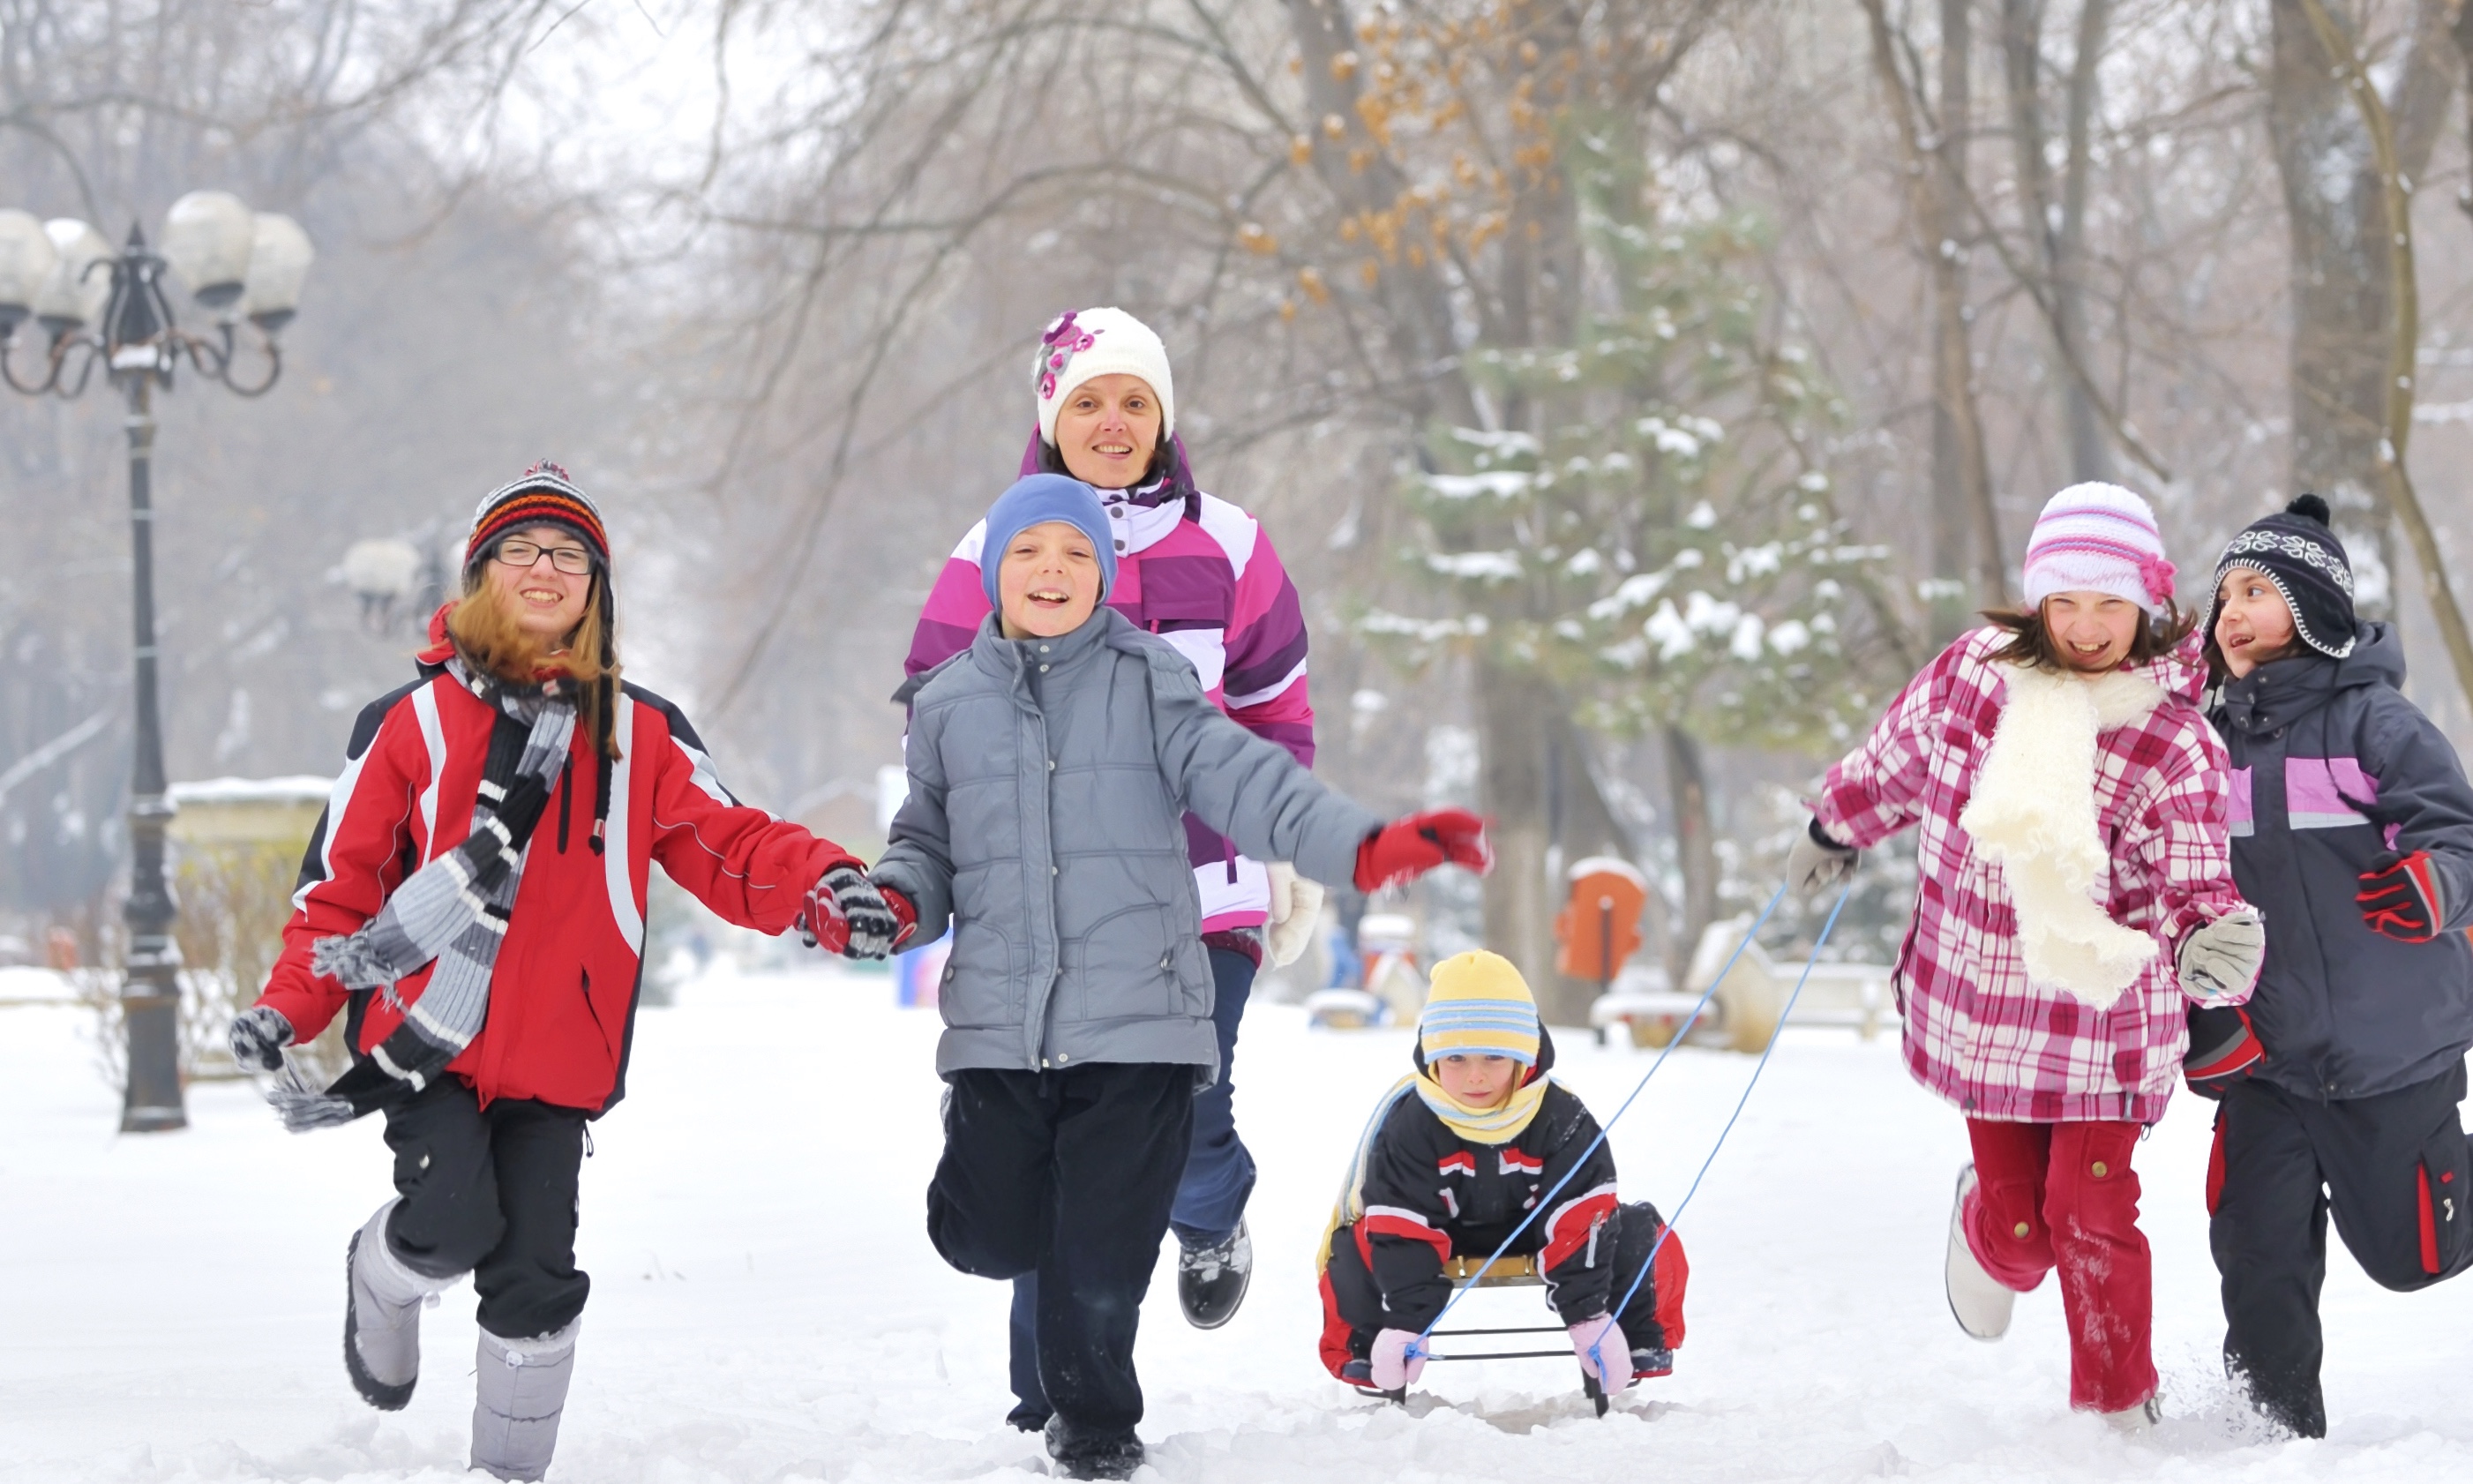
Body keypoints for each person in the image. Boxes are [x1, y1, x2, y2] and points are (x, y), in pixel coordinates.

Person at [226, 463, 897, 1483]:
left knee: (537, 1277)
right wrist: (287, 1010)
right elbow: (342, 891)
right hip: (426, 1042)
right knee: (452, 1225)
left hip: (561, 1055)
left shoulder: (642, 733)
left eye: (571, 554)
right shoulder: (406, 723)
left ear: (598, 588)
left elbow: (730, 843)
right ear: (481, 573)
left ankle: (505, 1474)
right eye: (523, 550)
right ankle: (385, 1270)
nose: (547, 569)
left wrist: (826, 887)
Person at [867, 473, 1489, 1480]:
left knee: (1099, 1255)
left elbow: (1247, 778)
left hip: (1142, 1017)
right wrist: (894, 900)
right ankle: (1026, 1246)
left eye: (1075, 553)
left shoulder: (1149, 677)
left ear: (1104, 575)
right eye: (1029, 553)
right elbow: (924, 841)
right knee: (987, 1234)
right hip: (1001, 1024)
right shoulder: (946, 704)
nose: (1052, 571)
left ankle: (1098, 1430)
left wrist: (1363, 846)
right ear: (993, 573)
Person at [902, 307, 1317, 1420]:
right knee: (1055, 1138)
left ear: (1164, 415)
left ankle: (1210, 1201)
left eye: (1135, 399)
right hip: (1045, 905)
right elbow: (937, 713)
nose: (1113, 420)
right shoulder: (992, 543)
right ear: (1050, 416)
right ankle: (1052, 1393)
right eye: (1087, 399)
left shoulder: (1227, 542)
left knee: (1188, 1107)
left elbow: (1275, 702)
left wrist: (1279, 849)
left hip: (1199, 891)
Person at [1782, 483, 2263, 1428]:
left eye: (2111, 604)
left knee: (2087, 1214)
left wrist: (2209, 929)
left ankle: (2117, 1410)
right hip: (1987, 1006)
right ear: (2038, 599)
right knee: (2020, 1235)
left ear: (2148, 605)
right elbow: (1892, 760)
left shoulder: (2171, 736)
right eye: (2067, 602)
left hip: (2104, 1018)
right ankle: (1985, 1218)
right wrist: (1833, 823)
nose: (2087, 627)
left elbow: (2191, 867)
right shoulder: (1973, 676)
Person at [2197, 494, 2473, 1437]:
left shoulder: (2372, 723)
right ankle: (2269, 1432)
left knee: (2413, 1257)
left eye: (2256, 592)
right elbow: (2170, 895)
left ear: (2313, 609)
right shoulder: (2201, 744)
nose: (2230, 610)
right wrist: (2203, 1015)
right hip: (2264, 1059)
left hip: (2386, 1047)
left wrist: (2437, 879)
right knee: (2253, 1248)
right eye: (2223, 591)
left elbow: (2455, 828)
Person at [1315, 950, 1688, 1401]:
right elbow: (1401, 1220)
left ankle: (1633, 1337)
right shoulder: (1410, 1123)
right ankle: (1370, 1349)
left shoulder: (1559, 1114)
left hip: (1540, 1233)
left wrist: (1588, 1315)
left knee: (1637, 1227)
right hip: (1438, 1234)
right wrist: (1408, 1320)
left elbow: (1582, 1212)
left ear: (1523, 1055)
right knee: (1355, 1240)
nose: (1475, 1077)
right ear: (1432, 1059)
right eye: (1455, 1058)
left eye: (1494, 1056)